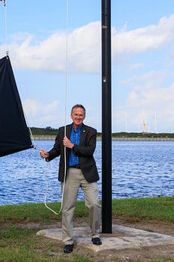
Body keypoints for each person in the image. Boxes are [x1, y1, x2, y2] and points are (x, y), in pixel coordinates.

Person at [40, 104, 101, 253]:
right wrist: (48, 155)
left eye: (81, 115)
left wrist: (72, 145)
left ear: (84, 116)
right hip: (70, 173)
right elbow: (57, 149)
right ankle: (68, 241)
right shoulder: (63, 130)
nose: (78, 117)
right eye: (76, 114)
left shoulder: (91, 132)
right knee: (67, 208)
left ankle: (95, 234)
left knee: (94, 204)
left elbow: (89, 151)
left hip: (87, 173)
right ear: (71, 115)